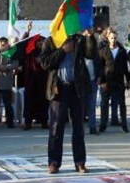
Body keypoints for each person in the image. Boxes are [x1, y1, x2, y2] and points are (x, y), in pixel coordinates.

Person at [39, 32, 97, 174]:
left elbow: (91, 54)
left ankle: (80, 163)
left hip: (76, 88)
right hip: (58, 89)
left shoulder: (78, 39)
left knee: (78, 127)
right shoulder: (51, 41)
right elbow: (45, 63)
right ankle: (53, 162)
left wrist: (89, 37)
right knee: (56, 128)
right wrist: (62, 51)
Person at [99, 29, 129, 133]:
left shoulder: (122, 51)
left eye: (115, 38)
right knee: (104, 104)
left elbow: (125, 67)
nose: (113, 40)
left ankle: (124, 124)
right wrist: (102, 82)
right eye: (111, 38)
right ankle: (103, 124)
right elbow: (101, 67)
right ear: (108, 38)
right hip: (107, 81)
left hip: (119, 81)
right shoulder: (103, 52)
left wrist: (128, 80)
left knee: (122, 104)